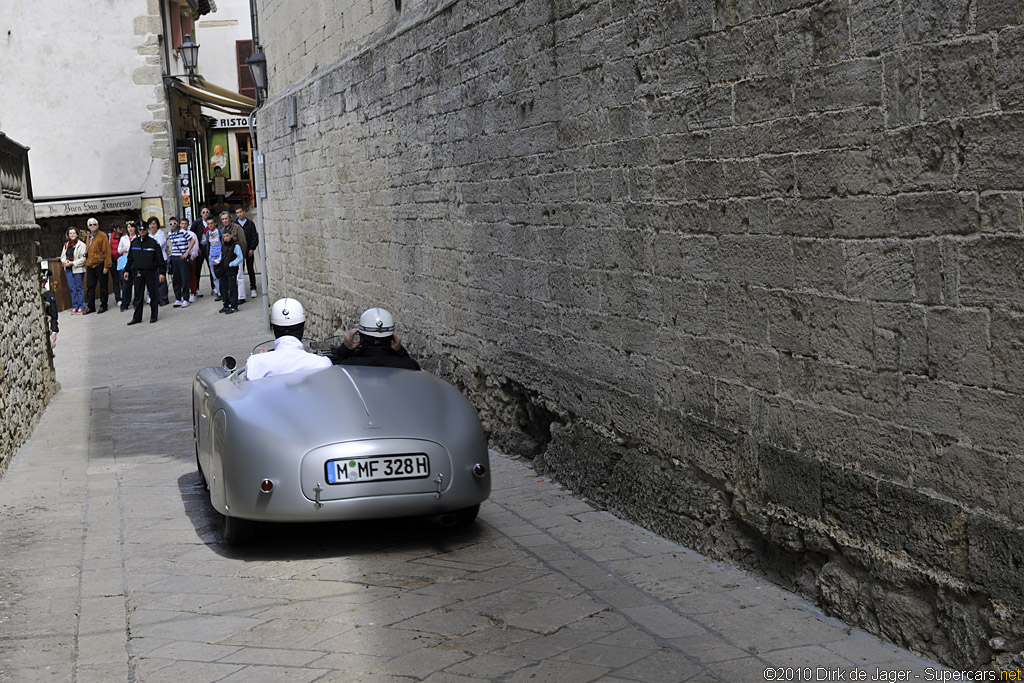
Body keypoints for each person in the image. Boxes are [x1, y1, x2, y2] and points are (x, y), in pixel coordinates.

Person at [245, 298, 332, 380]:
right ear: (302, 328)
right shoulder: (322, 363)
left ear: (274, 329)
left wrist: (261, 359)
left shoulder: (255, 363)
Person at [328, 308, 421, 370]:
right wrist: (400, 350)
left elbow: (335, 367)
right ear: (392, 337)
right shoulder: (407, 366)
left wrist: (346, 348)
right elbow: (413, 365)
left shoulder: (349, 364)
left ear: (361, 336)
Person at [124, 223, 166, 325]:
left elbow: (160, 260)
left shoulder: (153, 243)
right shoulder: (134, 243)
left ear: (147, 230)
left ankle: (153, 316)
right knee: (138, 296)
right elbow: (130, 258)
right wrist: (127, 270)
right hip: (138, 272)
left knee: (153, 294)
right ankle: (137, 317)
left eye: (144, 229)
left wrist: (162, 273)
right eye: (140, 229)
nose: (142, 231)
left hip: (151, 272)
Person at [82, 217, 111, 314]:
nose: (92, 226)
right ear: (88, 227)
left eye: (94, 224)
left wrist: (106, 266)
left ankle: (104, 305)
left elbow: (107, 251)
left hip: (100, 264)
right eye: (90, 225)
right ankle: (91, 307)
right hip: (90, 265)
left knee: (103, 286)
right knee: (90, 287)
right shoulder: (88, 236)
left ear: (98, 225)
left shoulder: (102, 236)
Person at [220, 210, 246, 304]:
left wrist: (242, 255)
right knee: (231, 278)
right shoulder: (223, 230)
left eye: (226, 218)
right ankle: (233, 296)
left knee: (239, 275)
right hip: (228, 257)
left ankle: (241, 296)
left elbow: (243, 242)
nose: (225, 220)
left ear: (230, 218)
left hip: (237, 255)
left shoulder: (237, 228)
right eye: (223, 219)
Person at [234, 205, 259, 299]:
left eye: (240, 212)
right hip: (238, 251)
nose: (239, 214)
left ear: (244, 212)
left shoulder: (250, 223)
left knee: (250, 269)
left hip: (248, 250)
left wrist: (252, 248)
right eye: (237, 213)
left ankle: (253, 288)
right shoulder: (235, 224)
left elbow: (254, 236)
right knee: (239, 271)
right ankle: (240, 290)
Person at [167, 218, 193, 307]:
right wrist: (171, 252)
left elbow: (192, 240)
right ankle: (178, 298)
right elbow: (172, 244)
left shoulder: (182, 232)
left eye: (174, 223)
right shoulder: (170, 233)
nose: (173, 225)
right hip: (174, 257)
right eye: (171, 224)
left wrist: (187, 252)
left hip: (182, 257)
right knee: (176, 278)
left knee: (185, 277)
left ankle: (186, 298)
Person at [217, 227, 243, 314]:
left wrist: (232, 264)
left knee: (232, 288)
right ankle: (226, 304)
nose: (226, 238)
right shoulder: (224, 245)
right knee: (223, 288)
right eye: (224, 236)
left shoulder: (235, 245)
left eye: (227, 236)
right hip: (223, 270)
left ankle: (233, 305)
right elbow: (222, 255)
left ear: (231, 236)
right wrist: (218, 260)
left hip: (231, 270)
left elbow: (240, 257)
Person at [61, 227, 87, 314]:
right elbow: (63, 256)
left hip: (78, 269)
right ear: (68, 235)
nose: (72, 235)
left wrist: (73, 263)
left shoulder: (82, 245)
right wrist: (65, 262)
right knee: (72, 288)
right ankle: (75, 306)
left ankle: (81, 306)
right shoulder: (66, 245)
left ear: (76, 234)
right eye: (70, 233)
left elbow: (83, 259)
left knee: (79, 288)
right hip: (68, 269)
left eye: (73, 233)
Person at [147, 216, 171, 306]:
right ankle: (156, 298)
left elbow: (158, 246)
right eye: (150, 224)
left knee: (161, 280)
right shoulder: (149, 235)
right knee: (153, 281)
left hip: (160, 260)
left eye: (154, 224)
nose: (152, 226)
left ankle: (164, 298)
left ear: (157, 225)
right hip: (151, 261)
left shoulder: (161, 234)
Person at [118, 223, 136, 311]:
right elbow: (118, 249)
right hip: (126, 262)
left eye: (132, 227)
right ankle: (125, 303)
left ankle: (136, 302)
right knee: (126, 284)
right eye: (129, 227)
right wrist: (122, 250)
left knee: (137, 283)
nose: (130, 229)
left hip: (136, 262)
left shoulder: (138, 238)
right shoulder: (123, 238)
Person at [204, 215, 223, 299]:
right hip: (212, 256)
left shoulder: (220, 232)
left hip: (220, 255)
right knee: (214, 276)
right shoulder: (208, 233)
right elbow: (208, 245)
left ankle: (224, 292)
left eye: (212, 223)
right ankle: (219, 293)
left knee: (222, 275)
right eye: (208, 224)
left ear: (215, 223)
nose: (210, 225)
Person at [109, 224, 124, 307]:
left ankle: (125, 297)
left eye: (122, 227)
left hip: (122, 261)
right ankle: (118, 298)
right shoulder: (110, 237)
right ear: (115, 229)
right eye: (119, 227)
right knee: (115, 280)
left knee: (122, 279)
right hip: (113, 261)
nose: (121, 229)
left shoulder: (124, 237)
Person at [42, 270, 58, 348]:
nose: (43, 283)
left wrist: (54, 331)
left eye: (45, 281)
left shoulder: (48, 296)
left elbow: (53, 314)